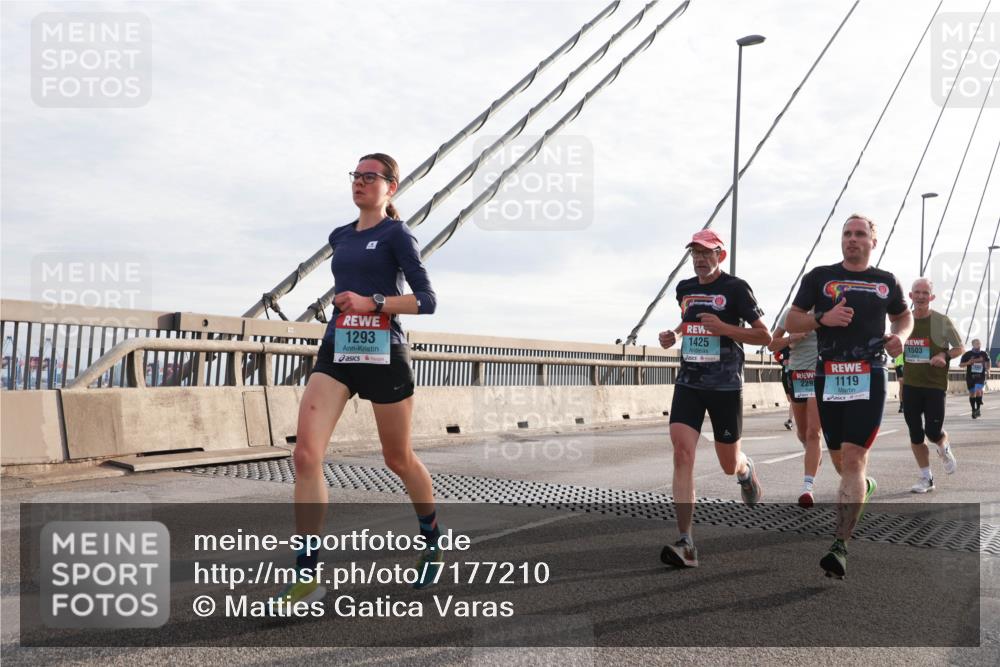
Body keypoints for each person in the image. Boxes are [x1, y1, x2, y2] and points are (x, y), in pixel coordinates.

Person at [274, 153, 440, 607]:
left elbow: (427, 300)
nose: (360, 182)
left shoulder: (397, 234)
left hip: (384, 352)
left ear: (391, 187)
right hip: (339, 349)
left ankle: (431, 538)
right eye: (356, 175)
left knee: (398, 458)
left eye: (371, 176)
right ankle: (306, 576)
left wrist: (374, 302)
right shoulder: (340, 236)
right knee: (305, 454)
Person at [785, 214, 912, 579]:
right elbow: (792, 321)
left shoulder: (886, 281)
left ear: (873, 241)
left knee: (854, 459)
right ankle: (863, 487)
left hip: (869, 375)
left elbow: (903, 317)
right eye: (846, 234)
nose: (852, 239)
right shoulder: (819, 278)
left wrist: (900, 337)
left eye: (859, 234)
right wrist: (821, 319)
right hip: (828, 376)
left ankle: (839, 546)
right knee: (842, 462)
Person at [658, 229, 771, 568]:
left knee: (728, 464)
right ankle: (686, 542)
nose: (700, 259)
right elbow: (688, 321)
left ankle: (745, 471)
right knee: (682, 453)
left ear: (720, 255)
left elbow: (763, 336)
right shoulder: (684, 289)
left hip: (725, 386)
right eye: (695, 253)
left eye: (707, 253)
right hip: (689, 382)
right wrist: (674, 333)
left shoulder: (736, 288)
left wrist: (725, 329)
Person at [901, 278, 962, 493]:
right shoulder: (904, 321)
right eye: (917, 292)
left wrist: (944, 355)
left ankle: (943, 447)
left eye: (925, 293)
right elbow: (895, 345)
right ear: (910, 295)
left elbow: (959, 348)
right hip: (911, 384)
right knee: (915, 434)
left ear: (931, 297)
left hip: (934, 385)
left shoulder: (941, 321)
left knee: (933, 431)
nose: (920, 296)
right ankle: (926, 478)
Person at [770, 309, 825, 508]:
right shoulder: (790, 314)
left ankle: (807, 488)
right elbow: (771, 344)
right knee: (802, 433)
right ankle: (813, 452)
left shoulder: (827, 311)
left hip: (819, 375)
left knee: (813, 432)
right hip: (797, 375)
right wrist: (790, 338)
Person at [959, 339, 991, 418]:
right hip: (970, 377)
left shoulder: (984, 354)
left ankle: (978, 409)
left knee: (978, 390)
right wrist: (968, 363)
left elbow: (988, 361)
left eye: (979, 343)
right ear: (972, 345)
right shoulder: (967, 354)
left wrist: (988, 370)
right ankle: (973, 410)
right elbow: (961, 365)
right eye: (976, 344)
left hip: (980, 376)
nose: (978, 345)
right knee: (972, 394)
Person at [777, 346, 795, 430]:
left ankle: (790, 420)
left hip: (795, 374)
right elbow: (776, 355)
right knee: (790, 399)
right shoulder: (785, 346)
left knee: (793, 399)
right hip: (785, 374)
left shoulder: (800, 345)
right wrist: (782, 361)